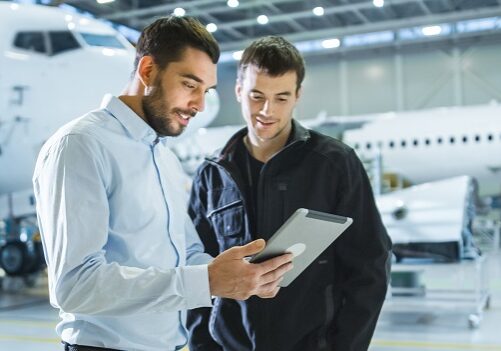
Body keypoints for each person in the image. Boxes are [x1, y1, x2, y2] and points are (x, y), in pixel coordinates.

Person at [32, 17, 293, 351]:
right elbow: (76, 285)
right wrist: (206, 280)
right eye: (189, 85)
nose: (199, 104)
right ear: (147, 71)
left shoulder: (163, 157)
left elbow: (185, 254)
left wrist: (242, 277)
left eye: (205, 91)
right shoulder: (82, 144)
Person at [187, 36, 392, 351]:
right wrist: (203, 346)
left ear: (298, 96)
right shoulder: (212, 175)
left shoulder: (334, 164)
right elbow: (196, 270)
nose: (267, 111)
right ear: (238, 91)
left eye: (281, 98)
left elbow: (370, 265)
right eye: (256, 96)